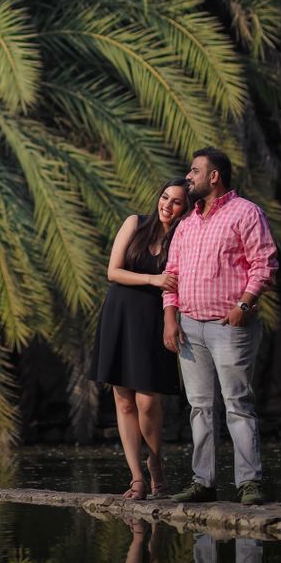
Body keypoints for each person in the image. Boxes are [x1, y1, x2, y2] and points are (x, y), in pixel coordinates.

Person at [162, 147, 278, 506]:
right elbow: (172, 274)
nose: (188, 177)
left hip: (230, 328)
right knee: (199, 407)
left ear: (214, 176)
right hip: (190, 328)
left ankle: (249, 484)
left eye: (194, 171)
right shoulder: (186, 224)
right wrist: (170, 317)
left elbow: (265, 263)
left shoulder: (246, 213)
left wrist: (244, 304)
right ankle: (203, 482)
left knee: (237, 404)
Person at [89, 181, 192, 500]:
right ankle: (137, 478)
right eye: (165, 197)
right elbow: (113, 271)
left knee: (148, 400)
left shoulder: (184, 238)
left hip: (154, 318)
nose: (167, 205)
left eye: (176, 202)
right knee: (123, 399)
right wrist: (153, 279)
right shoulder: (135, 224)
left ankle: (155, 464)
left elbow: (179, 284)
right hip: (119, 314)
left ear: (185, 208)